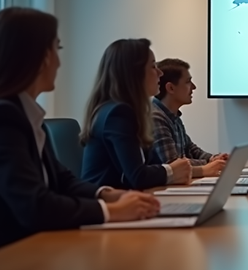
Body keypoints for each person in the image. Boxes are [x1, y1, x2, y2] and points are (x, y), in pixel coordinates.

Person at [0, 8, 161, 255]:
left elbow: (61, 181)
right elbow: (35, 206)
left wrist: (108, 194)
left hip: (19, 254)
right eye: (57, 49)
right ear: (41, 56)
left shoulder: (22, 114)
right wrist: (111, 211)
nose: (59, 61)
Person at [80, 39, 192, 189]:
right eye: (153, 66)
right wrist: (171, 170)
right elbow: (137, 176)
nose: (160, 73)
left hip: (125, 200)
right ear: (134, 73)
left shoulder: (131, 112)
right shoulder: (117, 114)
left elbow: (151, 165)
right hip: (108, 206)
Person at [149, 58, 228, 178]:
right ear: (170, 88)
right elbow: (173, 164)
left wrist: (213, 158)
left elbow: (191, 149)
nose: (194, 87)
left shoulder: (173, 116)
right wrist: (209, 164)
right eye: (188, 82)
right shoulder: (156, 117)